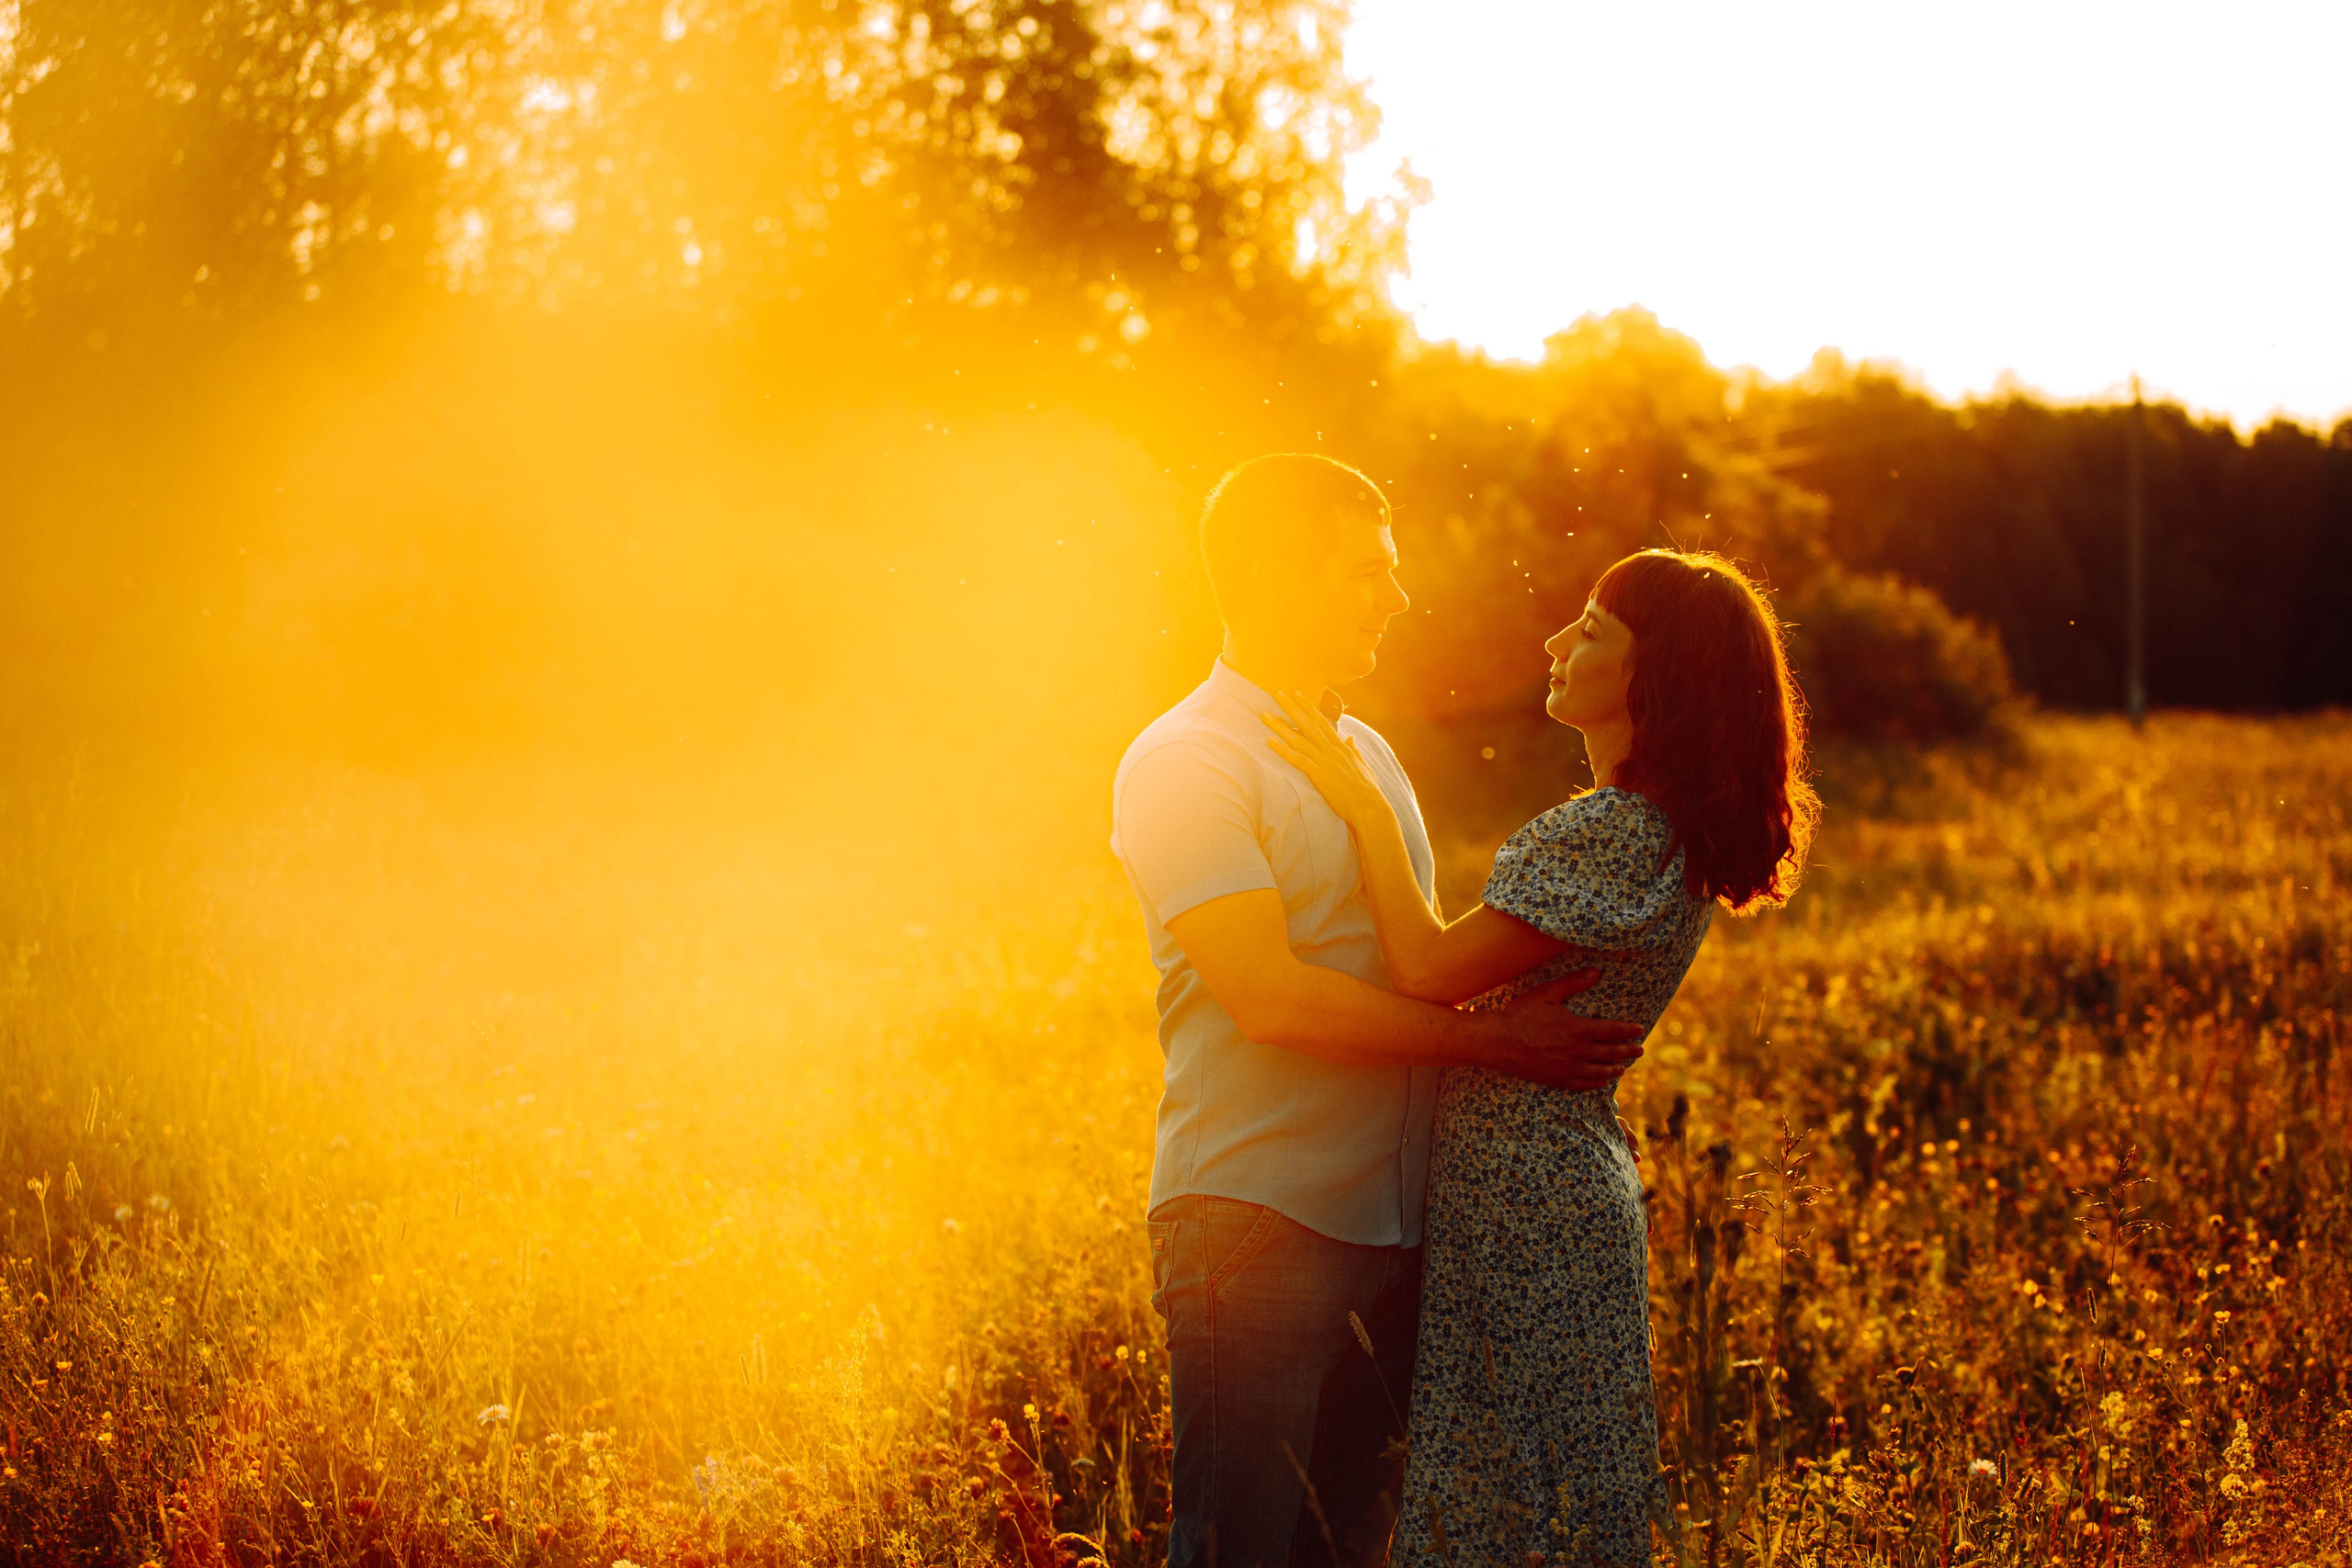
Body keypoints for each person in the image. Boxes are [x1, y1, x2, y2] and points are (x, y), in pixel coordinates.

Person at [1110, 455, 1649, 1568]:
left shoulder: (1366, 754)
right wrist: (1497, 1045)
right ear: (1274, 576)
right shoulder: (1185, 759)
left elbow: (1418, 957)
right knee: (1235, 1549)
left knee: (1353, 1553)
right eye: (1366, 572)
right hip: (1257, 1224)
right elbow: (1266, 996)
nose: (1395, 600)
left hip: (1401, 1238)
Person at [1261, 547, 1819, 1566]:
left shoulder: (1607, 831)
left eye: (1593, 632)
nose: (1557, 646)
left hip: (1526, 1194)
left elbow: (1428, 968)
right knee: (1547, 1490)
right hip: (1555, 1184)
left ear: (1660, 677)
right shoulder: (1658, 831)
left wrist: (1364, 804)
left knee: (1503, 1499)